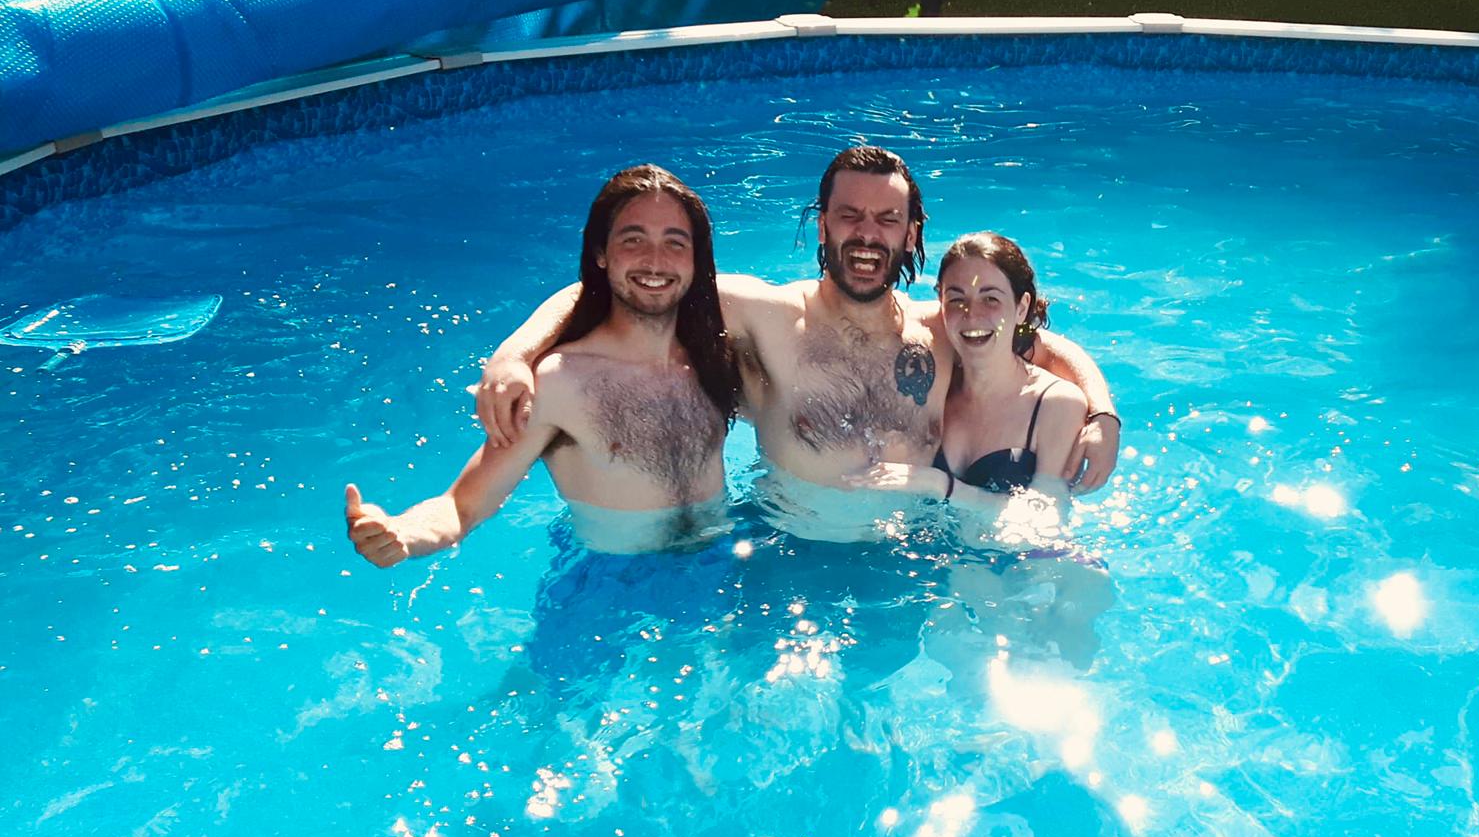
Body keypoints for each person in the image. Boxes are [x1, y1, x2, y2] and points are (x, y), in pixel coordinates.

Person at [473, 146, 1121, 497]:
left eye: (886, 219)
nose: (867, 234)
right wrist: (513, 355)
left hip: (909, 563)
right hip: (789, 567)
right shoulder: (765, 313)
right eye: (849, 215)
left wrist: (1101, 413)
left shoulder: (941, 325)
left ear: (910, 234)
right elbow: (633, 282)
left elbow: (1037, 341)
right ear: (822, 225)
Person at [343, 164, 739, 567]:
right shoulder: (560, 382)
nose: (655, 262)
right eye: (633, 240)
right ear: (601, 253)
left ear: (696, 260)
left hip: (723, 560)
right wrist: (404, 534)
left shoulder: (716, 357)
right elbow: (463, 506)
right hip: (615, 587)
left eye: (675, 243)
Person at [847, 232, 1092, 510]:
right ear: (939, 303)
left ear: (1021, 307)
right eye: (956, 299)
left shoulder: (1057, 405)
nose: (971, 315)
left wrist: (941, 486)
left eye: (990, 299)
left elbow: (1044, 521)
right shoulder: (931, 388)